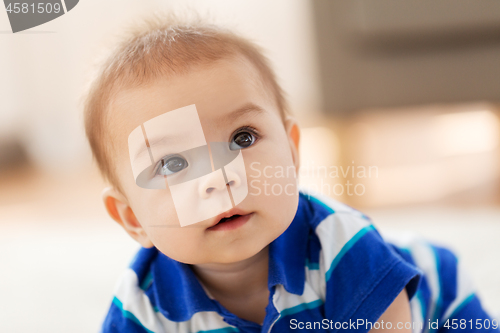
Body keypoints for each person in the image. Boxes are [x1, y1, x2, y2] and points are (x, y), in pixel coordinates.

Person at [83, 14, 498, 333]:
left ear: (292, 150)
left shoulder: (339, 243)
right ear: (133, 219)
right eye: (173, 164)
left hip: (438, 309)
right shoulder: (141, 306)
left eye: (243, 139)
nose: (219, 179)